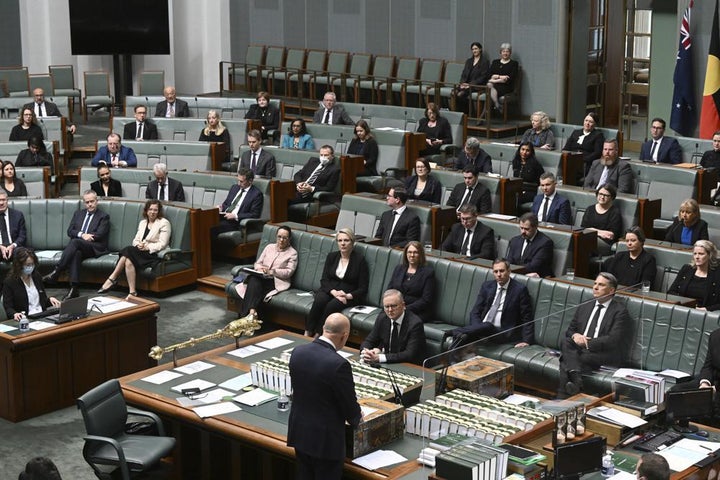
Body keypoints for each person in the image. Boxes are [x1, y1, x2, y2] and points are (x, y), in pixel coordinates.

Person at [287, 313, 362, 480]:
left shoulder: (298, 352)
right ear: (345, 336)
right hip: (325, 444)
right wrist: (358, 418)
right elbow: (349, 406)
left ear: (323, 329)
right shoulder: (339, 364)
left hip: (300, 434)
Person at [559, 272, 633, 397]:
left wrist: (587, 343)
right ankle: (576, 382)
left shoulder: (620, 311)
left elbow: (613, 340)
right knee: (565, 342)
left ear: (611, 290)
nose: (595, 287)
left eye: (601, 285)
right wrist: (575, 336)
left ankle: (563, 395)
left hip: (603, 352)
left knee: (569, 358)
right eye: (595, 283)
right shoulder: (586, 305)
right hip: (580, 348)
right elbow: (570, 330)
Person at [42, 190, 110, 300]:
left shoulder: (104, 216)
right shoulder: (78, 214)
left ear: (96, 201)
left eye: (92, 201)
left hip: (94, 247)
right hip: (80, 246)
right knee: (76, 253)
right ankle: (74, 288)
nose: (90, 204)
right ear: (84, 203)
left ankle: (57, 271)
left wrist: (85, 237)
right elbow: (70, 231)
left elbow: (100, 234)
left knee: (75, 242)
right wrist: (82, 234)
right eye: (87, 202)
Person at [451, 258, 534, 346]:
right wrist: (478, 328)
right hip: (482, 329)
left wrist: (526, 341)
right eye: (496, 271)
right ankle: (452, 358)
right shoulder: (487, 286)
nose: (499, 274)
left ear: (509, 271)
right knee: (463, 337)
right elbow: (475, 311)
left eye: (502, 271)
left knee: (488, 325)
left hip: (502, 333)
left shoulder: (519, 290)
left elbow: (527, 318)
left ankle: (453, 332)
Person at [97, 200, 171, 300]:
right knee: (128, 260)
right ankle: (132, 292)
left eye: (155, 210)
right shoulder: (143, 222)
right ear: (146, 210)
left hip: (154, 254)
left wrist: (147, 247)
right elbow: (135, 240)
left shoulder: (164, 223)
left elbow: (163, 243)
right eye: (150, 209)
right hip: (140, 252)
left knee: (127, 250)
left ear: (159, 211)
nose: (152, 212)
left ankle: (112, 278)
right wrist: (139, 245)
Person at [305, 228, 368, 337]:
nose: (343, 244)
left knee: (331, 306)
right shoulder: (332, 256)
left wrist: (347, 296)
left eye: (346, 240)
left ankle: (319, 334)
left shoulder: (360, 260)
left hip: (348, 295)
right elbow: (324, 280)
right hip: (330, 290)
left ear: (352, 242)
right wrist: (334, 292)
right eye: (340, 241)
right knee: (319, 301)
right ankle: (307, 332)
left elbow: (363, 288)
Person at [234, 225, 297, 318]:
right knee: (255, 279)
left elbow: (289, 272)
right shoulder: (269, 247)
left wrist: (272, 272)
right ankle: (252, 312)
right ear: (276, 236)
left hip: (276, 281)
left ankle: (245, 316)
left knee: (253, 281)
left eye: (285, 238)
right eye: (279, 237)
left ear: (289, 239)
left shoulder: (292, 253)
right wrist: (259, 269)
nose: (281, 240)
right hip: (261, 276)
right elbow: (257, 263)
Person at [360, 289, 426, 364]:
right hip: (389, 362)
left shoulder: (415, 324)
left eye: (394, 306)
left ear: (403, 305)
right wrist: (366, 352)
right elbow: (369, 340)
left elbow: (409, 354)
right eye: (386, 306)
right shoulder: (382, 318)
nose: (390, 310)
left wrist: (380, 358)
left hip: (409, 365)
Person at [387, 241, 436, 323]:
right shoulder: (399, 268)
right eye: (409, 252)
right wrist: (391, 305)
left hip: (417, 312)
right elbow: (389, 290)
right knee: (382, 319)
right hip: (395, 309)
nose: (412, 255)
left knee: (399, 322)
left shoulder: (428, 273)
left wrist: (404, 309)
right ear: (406, 254)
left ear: (420, 255)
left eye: (415, 252)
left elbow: (426, 300)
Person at [668, 240, 720, 311]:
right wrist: (683, 305)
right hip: (683, 310)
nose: (697, 257)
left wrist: (706, 309)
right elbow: (671, 292)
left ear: (709, 255)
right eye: (695, 254)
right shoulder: (686, 269)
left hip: (705, 314)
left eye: (701, 254)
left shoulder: (717, 274)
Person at [211, 167, 263, 236]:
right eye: (238, 180)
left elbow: (254, 214)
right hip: (224, 217)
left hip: (236, 223)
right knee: (204, 223)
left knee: (211, 228)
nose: (238, 184)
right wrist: (221, 208)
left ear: (250, 181)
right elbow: (226, 204)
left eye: (241, 181)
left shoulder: (256, 194)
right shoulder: (234, 188)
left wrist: (235, 216)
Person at [506, 213, 554, 278]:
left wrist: (514, 272)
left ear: (535, 227)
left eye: (526, 229)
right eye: (521, 228)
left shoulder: (545, 243)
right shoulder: (515, 241)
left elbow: (535, 266)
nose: (523, 232)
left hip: (537, 278)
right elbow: (509, 262)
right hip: (516, 275)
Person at [581, 183, 623, 256]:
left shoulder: (615, 212)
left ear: (612, 197)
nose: (602, 197)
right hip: (588, 239)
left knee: (585, 242)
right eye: (600, 194)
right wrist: (601, 232)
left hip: (606, 244)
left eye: (606, 195)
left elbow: (611, 235)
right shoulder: (590, 209)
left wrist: (592, 230)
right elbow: (583, 229)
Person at [484, 43, 519, 116]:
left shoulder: (514, 63)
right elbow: (488, 75)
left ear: (510, 53)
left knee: (489, 88)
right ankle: (497, 105)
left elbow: (509, 79)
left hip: (506, 87)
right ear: (500, 52)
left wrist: (494, 79)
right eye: (503, 51)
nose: (505, 53)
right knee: (489, 86)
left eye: (507, 51)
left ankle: (485, 116)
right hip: (495, 85)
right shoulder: (495, 62)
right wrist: (500, 77)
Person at [454, 42, 489, 113]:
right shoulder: (469, 61)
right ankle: (459, 114)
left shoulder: (485, 62)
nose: (474, 51)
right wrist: (462, 83)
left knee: (461, 94)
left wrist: (470, 84)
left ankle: (465, 114)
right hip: (466, 84)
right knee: (454, 92)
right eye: (473, 49)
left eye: (476, 49)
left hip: (477, 85)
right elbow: (463, 74)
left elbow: (483, 77)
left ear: (480, 49)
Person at [0, 190, 26, 261]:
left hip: (14, 248)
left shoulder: (18, 215)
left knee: (26, 254)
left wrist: (12, 246)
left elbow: (22, 236)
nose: (1, 203)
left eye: (3, 200)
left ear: (7, 201)